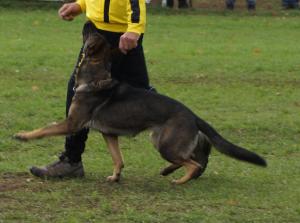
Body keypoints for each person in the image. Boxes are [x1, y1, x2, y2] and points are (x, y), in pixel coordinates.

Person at [30, 0, 154, 178]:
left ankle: (190, 135)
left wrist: (134, 28)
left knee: (142, 96)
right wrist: (81, 5)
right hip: (97, 31)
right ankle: (71, 161)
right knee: (78, 91)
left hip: (124, 34)